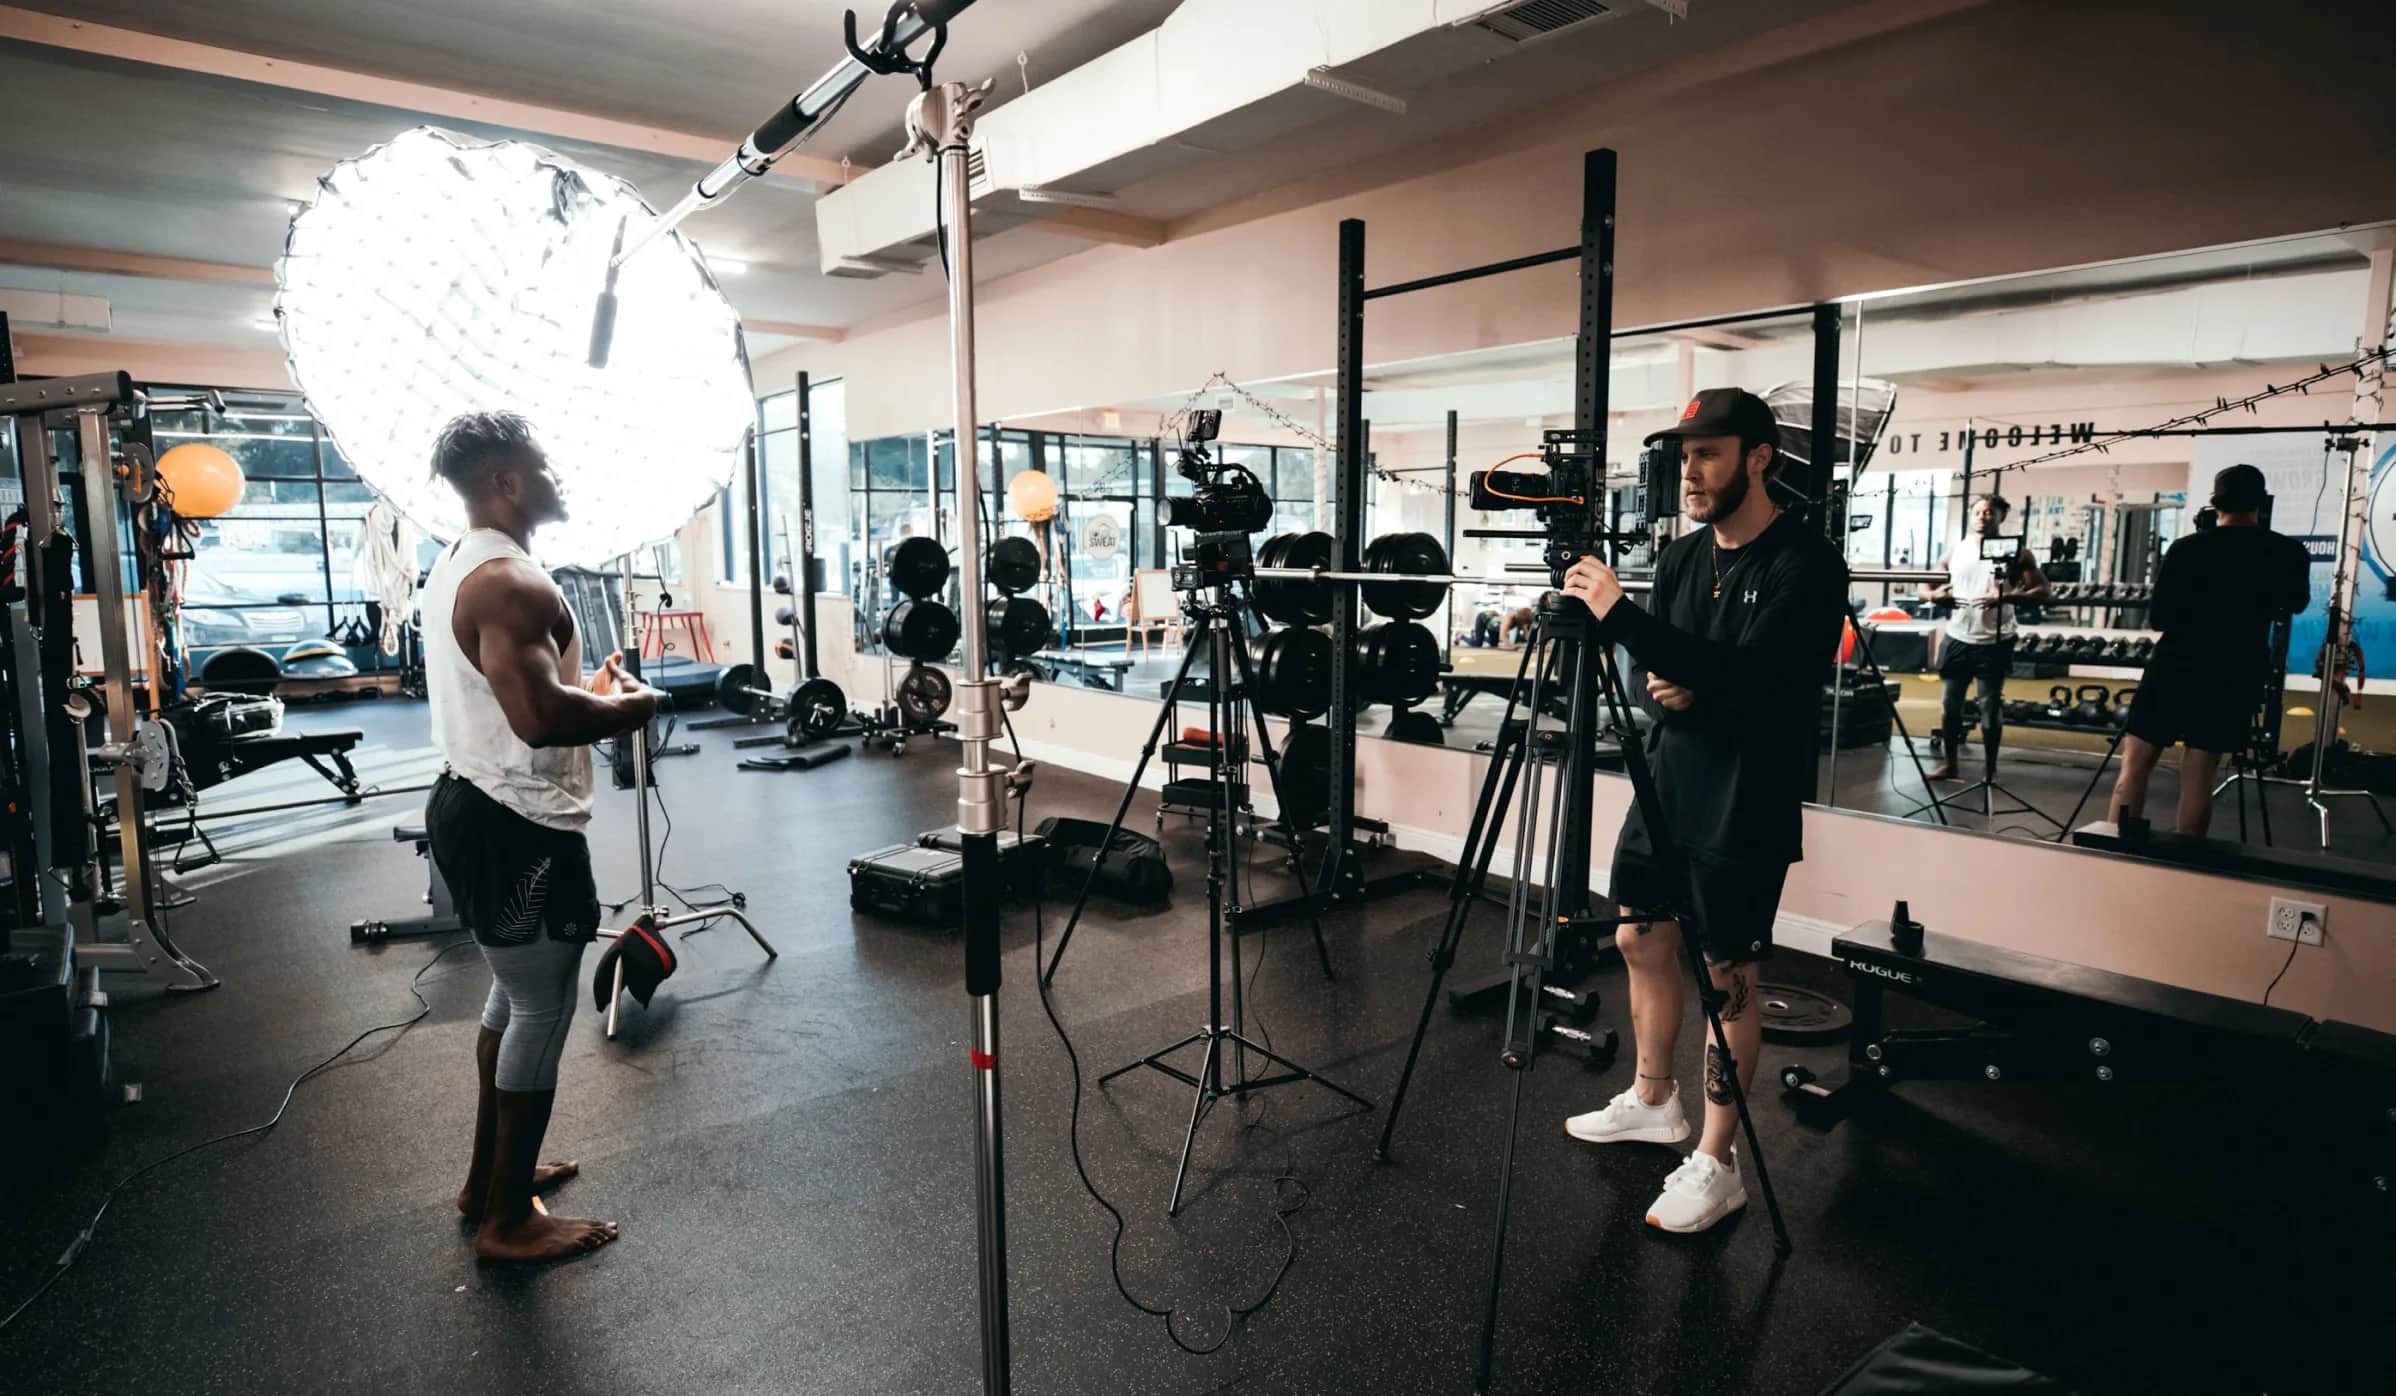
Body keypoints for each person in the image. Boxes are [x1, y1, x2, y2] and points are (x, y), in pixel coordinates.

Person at [1555, 387, 1848, 1235]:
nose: (1691, 470)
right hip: (1669, 777)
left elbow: (1763, 687)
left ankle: (1718, 1163)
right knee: (1638, 935)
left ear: (1758, 458)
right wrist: (1675, 683)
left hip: (1743, 797)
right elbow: (1669, 683)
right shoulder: (1685, 559)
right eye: (1685, 455)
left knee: (1727, 978)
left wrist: (1626, 619)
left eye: (1709, 453)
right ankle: (1654, 1099)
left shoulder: (1805, 563)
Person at [420, 411, 660, 1262]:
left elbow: (523, 690)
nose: (559, 475)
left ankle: (491, 1179)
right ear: (508, 481)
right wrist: (631, 705)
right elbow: (538, 717)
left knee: (509, 998)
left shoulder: (465, 563)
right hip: (516, 823)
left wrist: (586, 684)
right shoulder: (510, 583)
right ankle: (507, 1223)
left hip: (475, 806)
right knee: (541, 1006)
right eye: (544, 464)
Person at [2110, 463, 2312, 835]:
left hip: (2176, 664)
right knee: (2200, 775)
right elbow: (2293, 605)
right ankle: (2187, 866)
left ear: (2216, 504)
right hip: (2234, 669)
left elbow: (2159, 618)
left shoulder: (2187, 549)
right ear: (2260, 503)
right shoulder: (2287, 552)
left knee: (2135, 764)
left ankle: (2115, 848)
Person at [1920, 492, 2049, 782]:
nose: (1982, 517)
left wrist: (2007, 596)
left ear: (2002, 516)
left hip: (1995, 640)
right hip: (1957, 637)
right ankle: (1950, 764)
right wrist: (1934, 596)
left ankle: (1990, 771)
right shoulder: (1955, 550)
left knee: (1989, 706)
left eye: (1989, 512)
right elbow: (1924, 587)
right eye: (1978, 512)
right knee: (1950, 704)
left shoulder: (2018, 552)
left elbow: (2043, 592)